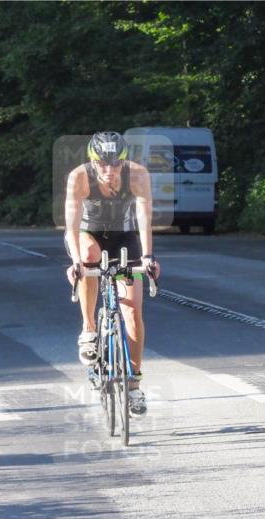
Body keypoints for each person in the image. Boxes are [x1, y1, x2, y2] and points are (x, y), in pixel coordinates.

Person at [64, 132, 159, 415]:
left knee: (132, 312)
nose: (109, 171)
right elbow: (70, 223)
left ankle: (133, 384)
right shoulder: (79, 177)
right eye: (103, 164)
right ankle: (89, 329)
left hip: (124, 237)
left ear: (124, 161)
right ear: (93, 162)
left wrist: (148, 257)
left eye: (116, 164)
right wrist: (77, 263)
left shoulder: (138, 175)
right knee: (89, 259)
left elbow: (144, 217)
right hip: (88, 234)